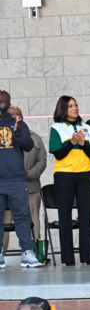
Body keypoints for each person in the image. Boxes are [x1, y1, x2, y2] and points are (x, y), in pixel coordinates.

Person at [49, 95, 90, 266]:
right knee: (65, 215)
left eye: (75, 105)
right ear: (63, 109)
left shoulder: (87, 129)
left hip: (85, 174)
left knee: (85, 215)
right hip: (65, 175)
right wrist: (72, 142)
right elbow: (58, 153)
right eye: (70, 106)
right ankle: (68, 258)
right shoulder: (57, 128)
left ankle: (88, 256)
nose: (74, 108)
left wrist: (83, 144)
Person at [0, 94, 42, 268]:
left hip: (16, 179)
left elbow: (28, 146)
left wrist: (17, 134)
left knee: (22, 218)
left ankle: (27, 253)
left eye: (2, 101)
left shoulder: (19, 124)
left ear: (9, 104)